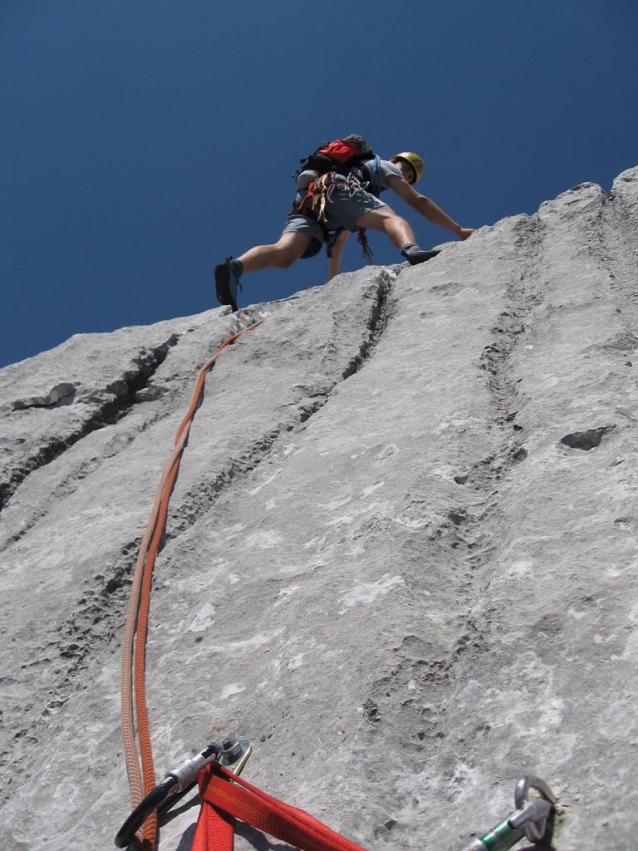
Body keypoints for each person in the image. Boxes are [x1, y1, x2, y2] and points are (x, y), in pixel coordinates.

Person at [214, 150, 475, 311]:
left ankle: (235, 268)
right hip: (338, 190)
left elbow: (338, 244)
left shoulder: (360, 183)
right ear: (396, 161)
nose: (404, 175)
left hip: (312, 198)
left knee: (284, 255)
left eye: (408, 175)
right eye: (405, 169)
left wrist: (333, 284)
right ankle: (412, 250)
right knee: (391, 219)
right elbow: (418, 201)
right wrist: (458, 229)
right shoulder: (383, 166)